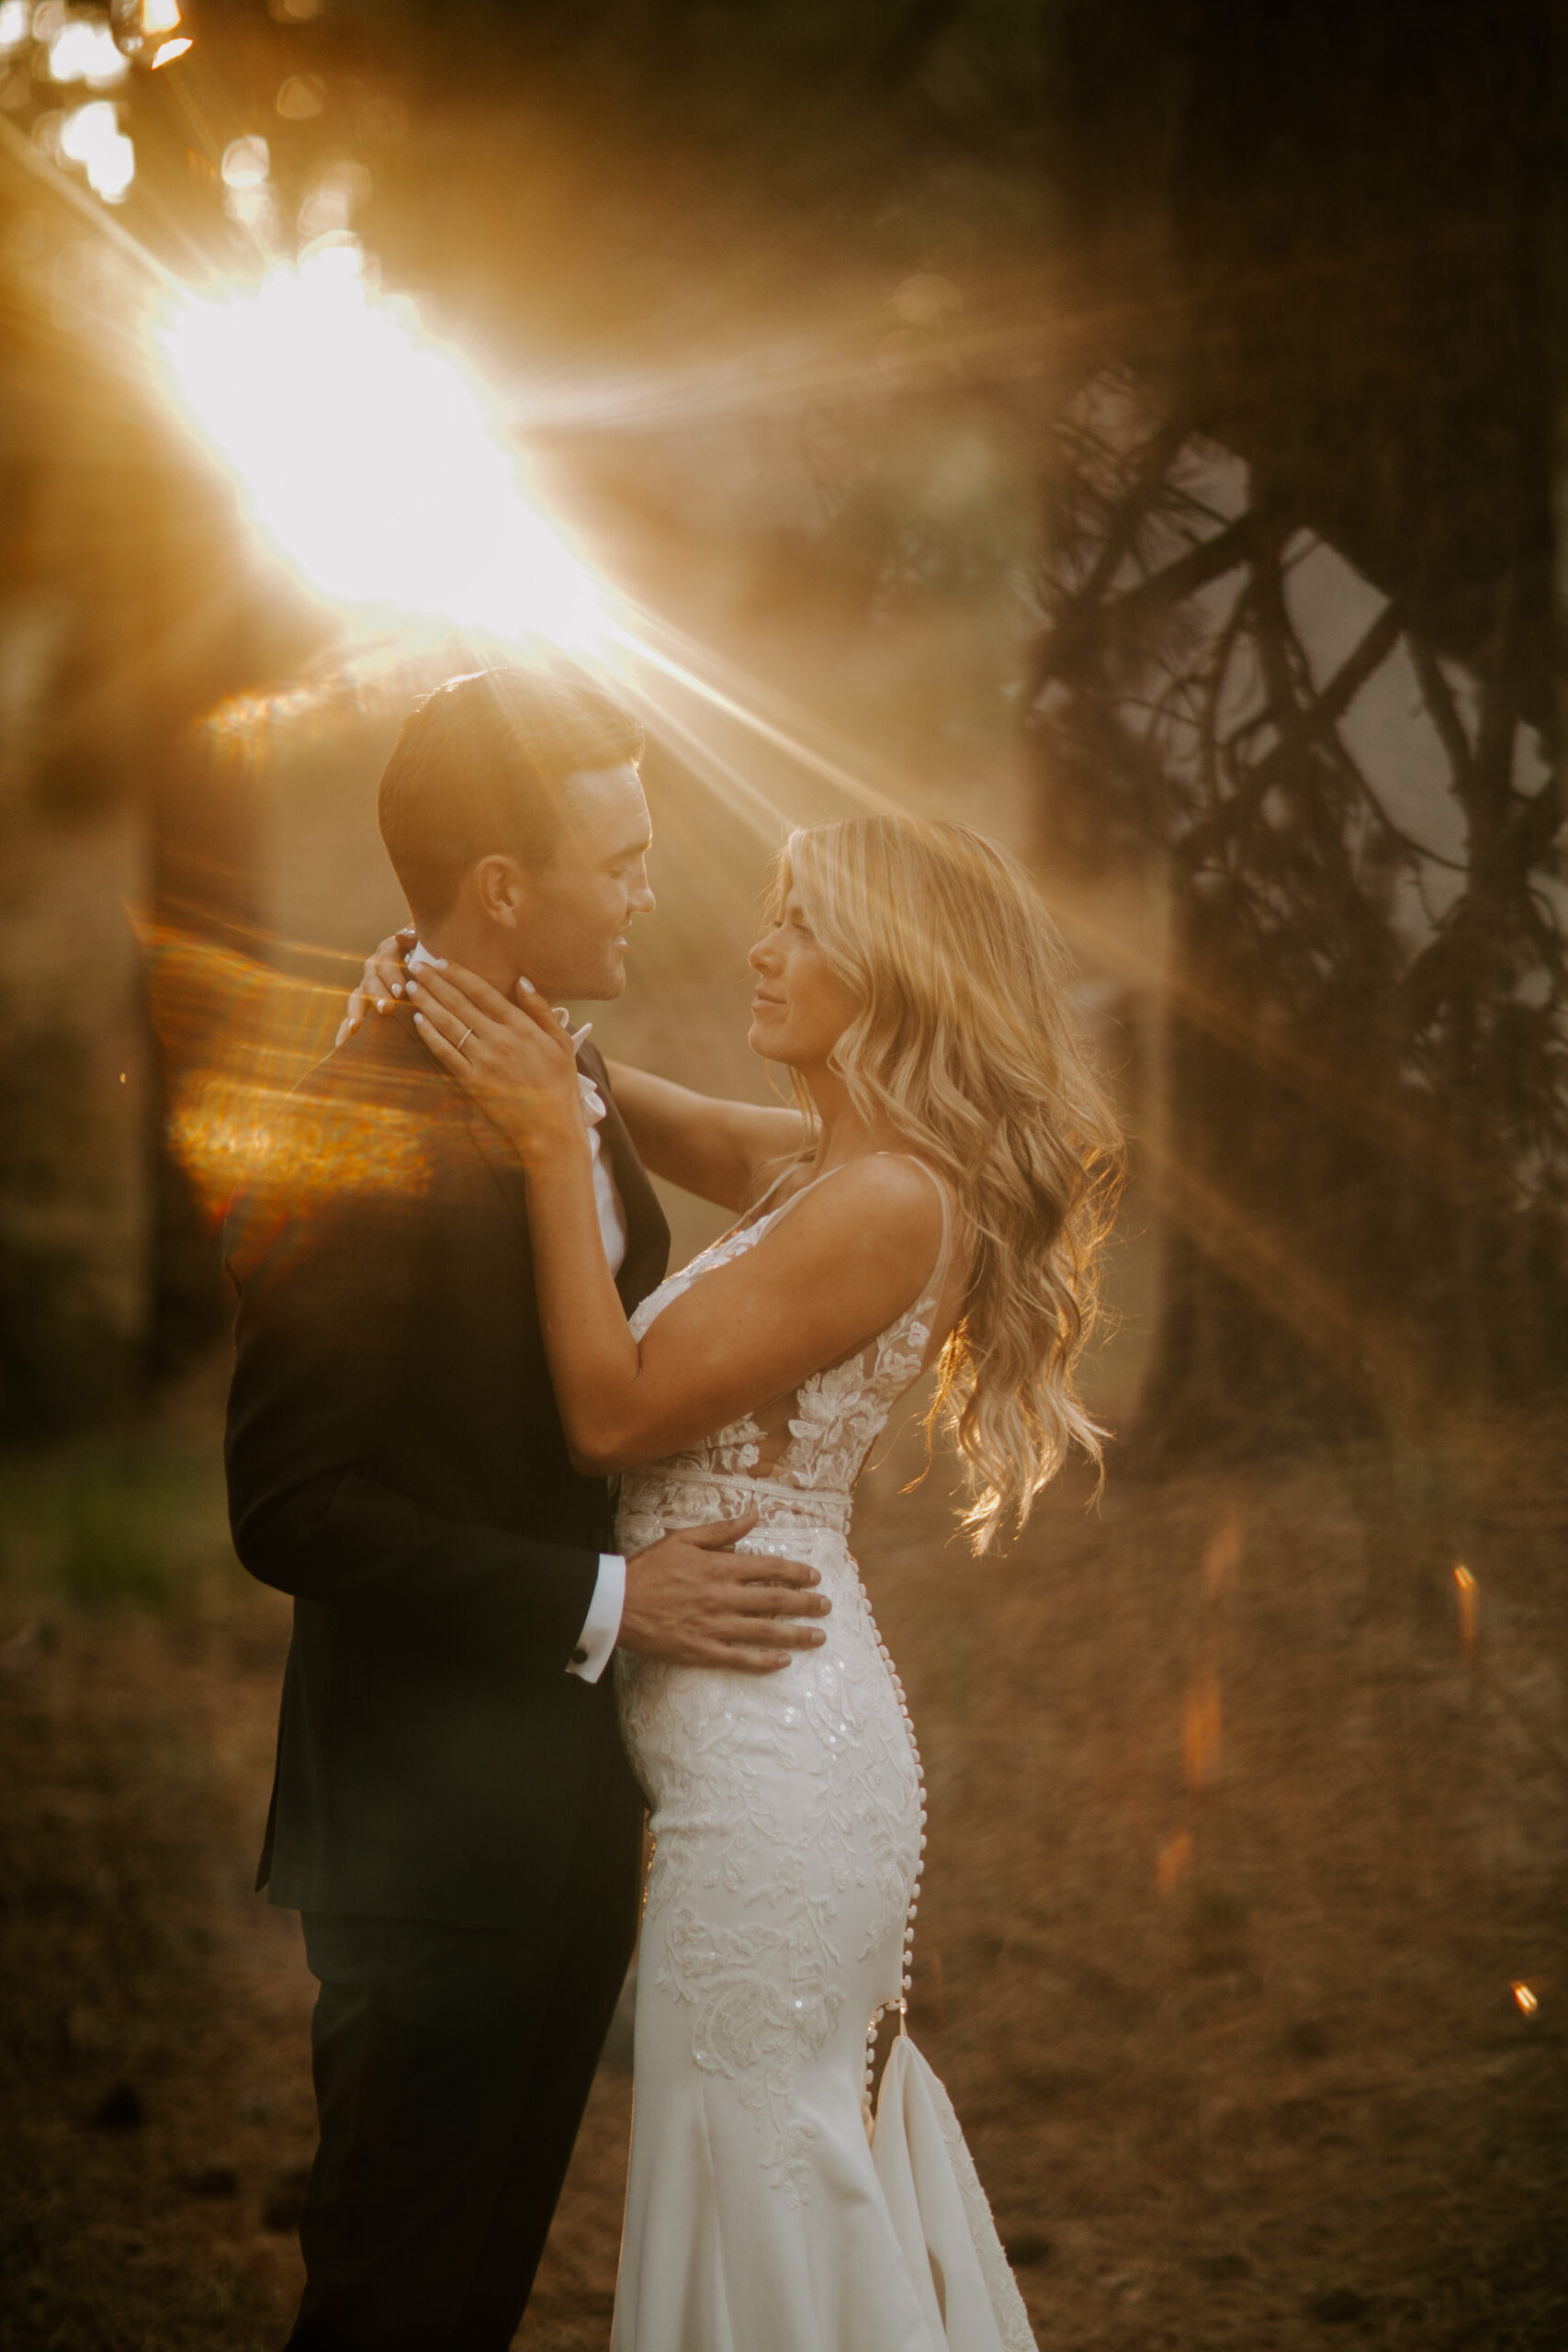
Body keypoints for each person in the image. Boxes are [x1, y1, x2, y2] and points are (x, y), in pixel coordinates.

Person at [370, 808, 1123, 2349]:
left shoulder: (888, 1202)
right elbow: (601, 1094)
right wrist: (446, 992)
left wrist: (534, 1140)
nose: (760, 951)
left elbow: (610, 1412)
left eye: (800, 925)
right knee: (759, 2151)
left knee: (757, 2156)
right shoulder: (815, 1164)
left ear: (896, 974)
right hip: (758, 1727)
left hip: (777, 1759)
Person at [223, 668, 832, 2352]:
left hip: (567, 1816)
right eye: (619, 856)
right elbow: (287, 1505)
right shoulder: (361, 1119)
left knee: (470, 2304)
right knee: (391, 2308)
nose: (650, 886)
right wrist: (617, 1605)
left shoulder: (546, 1057)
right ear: (505, 889)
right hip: (429, 1849)